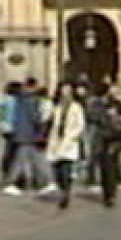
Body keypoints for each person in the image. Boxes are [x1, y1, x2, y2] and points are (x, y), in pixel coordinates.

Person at [87, 82, 121, 207]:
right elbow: (95, 118)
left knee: (110, 165)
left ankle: (110, 193)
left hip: (113, 138)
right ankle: (109, 193)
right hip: (103, 138)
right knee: (106, 167)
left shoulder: (113, 103)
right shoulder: (96, 105)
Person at [48, 82, 86, 211]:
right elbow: (50, 123)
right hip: (56, 142)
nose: (65, 93)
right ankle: (62, 188)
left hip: (69, 142)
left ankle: (65, 193)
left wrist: (72, 136)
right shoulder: (56, 107)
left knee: (66, 169)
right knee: (56, 170)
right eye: (63, 90)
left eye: (67, 91)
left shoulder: (76, 107)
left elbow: (80, 125)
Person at [0, 81, 21, 184]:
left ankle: (5, 171)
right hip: (14, 128)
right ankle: (13, 172)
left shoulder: (3, 100)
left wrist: (0, 125)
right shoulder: (17, 101)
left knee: (8, 149)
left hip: (5, 128)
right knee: (14, 151)